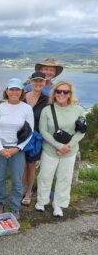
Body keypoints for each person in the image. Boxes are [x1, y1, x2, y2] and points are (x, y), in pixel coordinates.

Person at [35, 81, 85, 217]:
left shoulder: (78, 110)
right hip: (50, 150)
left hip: (70, 151)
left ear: (70, 94)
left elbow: (81, 131)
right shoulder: (47, 110)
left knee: (64, 178)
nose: (61, 94)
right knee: (45, 176)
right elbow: (43, 131)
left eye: (65, 91)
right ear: (54, 93)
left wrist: (67, 147)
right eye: (59, 91)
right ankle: (42, 200)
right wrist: (59, 146)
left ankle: (59, 204)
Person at [0, 78, 34, 219]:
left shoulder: (26, 108)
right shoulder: (0, 107)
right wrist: (0, 148)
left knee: (17, 179)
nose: (14, 92)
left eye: (17, 89)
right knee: (0, 178)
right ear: (7, 91)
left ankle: (15, 206)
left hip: (17, 150)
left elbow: (30, 132)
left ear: (21, 92)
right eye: (12, 89)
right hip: (0, 149)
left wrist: (17, 148)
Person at [21, 72, 48, 206]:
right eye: (35, 81)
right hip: (21, 137)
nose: (38, 83)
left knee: (31, 166)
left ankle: (29, 192)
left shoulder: (47, 100)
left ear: (44, 83)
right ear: (31, 82)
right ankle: (22, 187)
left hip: (36, 139)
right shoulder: (22, 97)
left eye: (41, 81)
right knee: (21, 165)